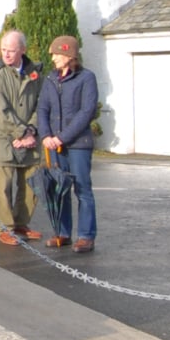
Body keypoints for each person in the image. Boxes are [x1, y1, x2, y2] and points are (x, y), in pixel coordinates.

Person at [36, 34, 99, 253]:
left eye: (56, 54)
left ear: (68, 55)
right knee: (59, 189)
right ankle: (62, 233)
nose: (53, 58)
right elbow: (42, 108)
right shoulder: (50, 79)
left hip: (78, 143)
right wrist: (45, 135)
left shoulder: (86, 78)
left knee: (82, 189)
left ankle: (86, 236)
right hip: (53, 144)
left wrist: (62, 137)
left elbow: (87, 111)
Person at [0, 30, 44, 247]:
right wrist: (20, 133)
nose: (7, 55)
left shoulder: (35, 73)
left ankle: (21, 224)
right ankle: (5, 227)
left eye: (12, 50)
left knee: (31, 183)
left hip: (29, 139)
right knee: (3, 187)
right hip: (3, 139)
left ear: (23, 50)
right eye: (4, 50)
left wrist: (32, 131)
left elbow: (41, 105)